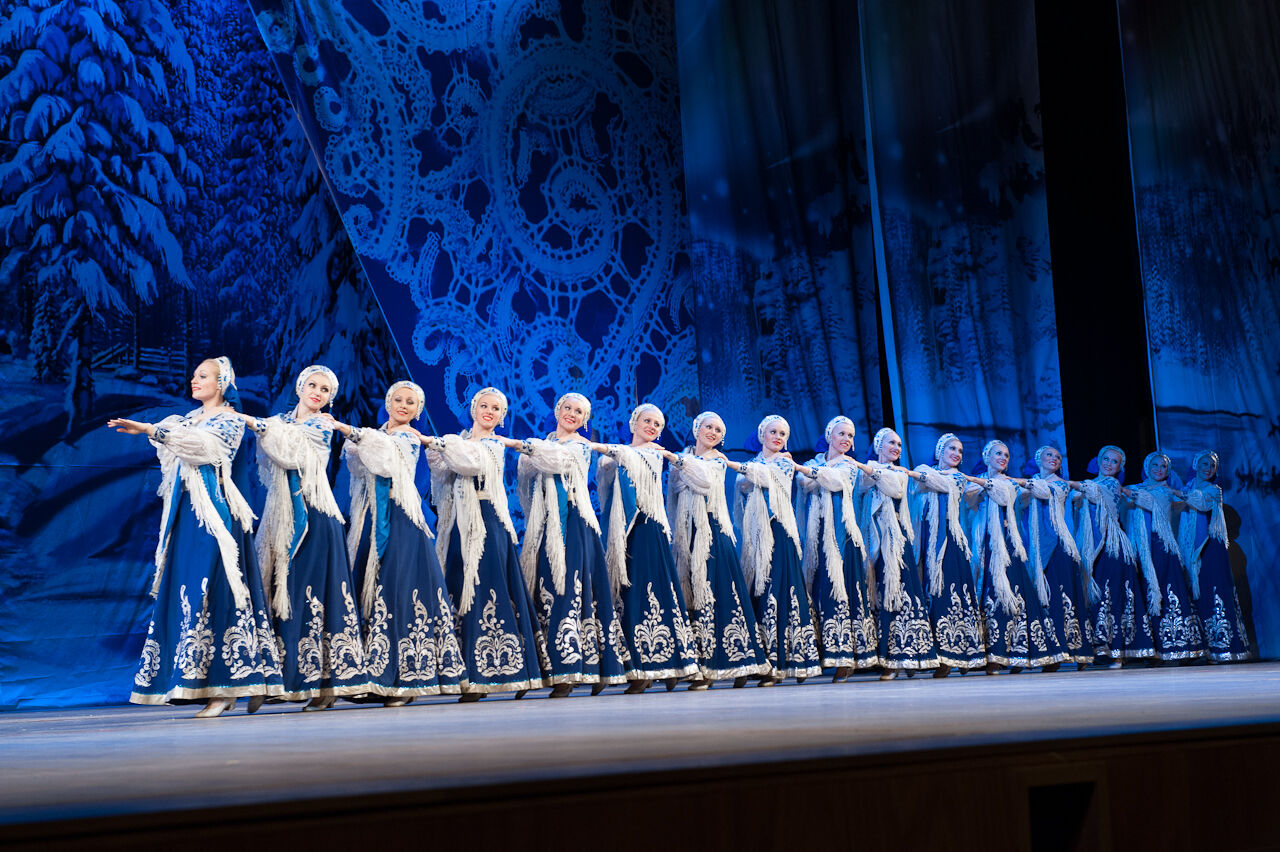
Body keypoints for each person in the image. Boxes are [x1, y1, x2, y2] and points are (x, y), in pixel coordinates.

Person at [109, 357, 282, 718]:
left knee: (217, 591)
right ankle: (218, 683)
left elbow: (204, 449)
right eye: (193, 375)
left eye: (202, 376)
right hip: (186, 516)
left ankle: (226, 687)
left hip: (214, 517)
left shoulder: (230, 420)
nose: (194, 380)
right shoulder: (188, 419)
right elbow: (176, 449)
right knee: (189, 593)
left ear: (222, 383)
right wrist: (154, 432)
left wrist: (152, 429)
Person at [239, 365, 368, 708]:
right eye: (313, 385)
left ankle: (324, 685)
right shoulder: (280, 421)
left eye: (325, 390)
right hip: (279, 514)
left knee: (307, 595)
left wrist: (256, 424)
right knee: (273, 589)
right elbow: (273, 446)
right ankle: (274, 678)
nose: (317, 393)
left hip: (313, 516)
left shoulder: (322, 425)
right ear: (299, 387)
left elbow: (290, 453)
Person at [341, 380, 466, 704]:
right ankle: (373, 675)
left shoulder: (408, 437)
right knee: (371, 588)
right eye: (398, 400)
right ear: (388, 402)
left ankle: (405, 678)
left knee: (399, 591)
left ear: (418, 411)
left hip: (401, 517)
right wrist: (358, 442)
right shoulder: (376, 435)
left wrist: (351, 433)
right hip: (372, 516)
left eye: (411, 402)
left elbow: (384, 462)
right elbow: (358, 465)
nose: (403, 406)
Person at [423, 387, 545, 700]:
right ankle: (464, 672)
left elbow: (468, 463)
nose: (489, 412)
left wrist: (439, 444)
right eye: (484, 406)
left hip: (487, 519)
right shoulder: (459, 441)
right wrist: (439, 449)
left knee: (487, 586)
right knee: (459, 585)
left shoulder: (492, 444)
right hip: (458, 522)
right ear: (474, 408)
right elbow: (440, 470)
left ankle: (501, 670)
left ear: (502, 417)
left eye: (496, 409)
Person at [516, 392, 633, 697]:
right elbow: (525, 478)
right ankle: (546, 668)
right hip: (545, 523)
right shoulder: (544, 443)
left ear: (584, 420)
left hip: (574, 523)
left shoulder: (580, 445)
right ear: (557, 411)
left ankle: (577, 670)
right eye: (567, 408)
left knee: (570, 590)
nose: (571, 414)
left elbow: (554, 461)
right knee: (545, 589)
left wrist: (522, 447)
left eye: (579, 412)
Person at [598, 403, 698, 693]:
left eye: (658, 424)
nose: (652, 427)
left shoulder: (653, 453)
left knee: (655, 591)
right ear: (634, 423)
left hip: (648, 527)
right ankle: (636, 666)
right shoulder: (618, 454)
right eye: (647, 421)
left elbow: (628, 458)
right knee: (629, 594)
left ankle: (670, 664)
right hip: (622, 530)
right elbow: (605, 474)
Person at [669, 411, 769, 689]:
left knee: (721, 593)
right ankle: (699, 664)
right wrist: (682, 468)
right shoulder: (683, 457)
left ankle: (735, 663)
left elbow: (702, 482)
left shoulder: (718, 461)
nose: (713, 433)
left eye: (718, 430)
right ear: (696, 429)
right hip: (687, 531)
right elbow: (675, 487)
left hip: (712, 530)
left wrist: (682, 467)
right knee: (693, 596)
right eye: (709, 427)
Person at [735, 415, 822, 685]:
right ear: (762, 434)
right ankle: (761, 661)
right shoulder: (754, 463)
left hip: (780, 531)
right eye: (773, 432)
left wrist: (740, 470)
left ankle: (785, 661)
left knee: (780, 590)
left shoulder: (785, 462)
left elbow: (761, 479)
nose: (778, 437)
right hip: (756, 534)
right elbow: (742, 487)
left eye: (783, 434)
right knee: (759, 591)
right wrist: (747, 476)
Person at [970, 440, 1067, 673]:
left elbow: (1011, 496)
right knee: (988, 594)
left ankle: (1024, 653)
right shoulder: (974, 484)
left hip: (1009, 543)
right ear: (986, 456)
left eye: (1006, 455)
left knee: (1015, 593)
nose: (1003, 458)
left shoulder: (1012, 484)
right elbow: (968, 501)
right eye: (998, 454)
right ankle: (993, 654)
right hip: (985, 543)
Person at [798, 416, 878, 681]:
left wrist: (817, 472)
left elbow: (833, 482)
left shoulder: (850, 466)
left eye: (851, 436)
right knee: (820, 590)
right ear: (829, 435)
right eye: (842, 434)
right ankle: (820, 654)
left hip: (843, 537)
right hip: (818, 537)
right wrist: (819, 471)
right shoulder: (815, 463)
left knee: (843, 591)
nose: (846, 439)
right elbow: (805, 483)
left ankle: (846, 656)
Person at [859, 428, 937, 679]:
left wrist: (869, 470)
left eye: (899, 444)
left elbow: (895, 490)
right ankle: (884, 655)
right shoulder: (866, 470)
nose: (896, 448)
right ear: (879, 446)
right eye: (891, 443)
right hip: (873, 536)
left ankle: (903, 656)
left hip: (896, 536)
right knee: (879, 591)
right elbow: (860, 487)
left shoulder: (900, 473)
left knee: (901, 590)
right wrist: (867, 470)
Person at [908, 433, 986, 677]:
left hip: (950, 542)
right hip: (927, 543)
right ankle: (931, 654)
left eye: (960, 451)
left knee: (950, 593)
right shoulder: (927, 473)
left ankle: (954, 654)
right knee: (930, 593)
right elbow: (917, 485)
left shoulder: (957, 478)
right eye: (952, 448)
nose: (957, 454)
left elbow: (940, 484)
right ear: (939, 451)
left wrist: (915, 473)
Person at [1077, 445, 1155, 665]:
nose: (1109, 464)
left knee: (1114, 595)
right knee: (1097, 596)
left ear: (1120, 467)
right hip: (1093, 548)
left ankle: (1118, 651)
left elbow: (1093, 491)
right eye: (1106, 459)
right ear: (1099, 460)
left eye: (1115, 462)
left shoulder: (1111, 484)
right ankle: (1099, 649)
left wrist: (1067, 484)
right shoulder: (1090, 484)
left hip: (1112, 548)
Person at [1021, 446, 1095, 669]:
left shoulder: (1060, 484)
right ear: (1038, 459)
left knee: (1063, 596)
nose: (1054, 458)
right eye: (1049, 455)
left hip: (1059, 545)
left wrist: (1013, 481)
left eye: (1057, 457)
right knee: (1044, 598)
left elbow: (1043, 492)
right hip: (1036, 548)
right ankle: (1050, 652)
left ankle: (1075, 651)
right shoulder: (1030, 484)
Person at [1128, 452, 1205, 663]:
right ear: (1147, 466)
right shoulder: (1136, 488)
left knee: (1168, 592)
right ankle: (1151, 650)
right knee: (1146, 593)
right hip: (1142, 549)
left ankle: (1180, 646)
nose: (1159, 469)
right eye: (1155, 465)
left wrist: (1124, 491)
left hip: (1162, 547)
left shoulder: (1164, 491)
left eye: (1163, 466)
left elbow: (1149, 501)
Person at [1178, 450, 1251, 662]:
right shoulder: (1188, 488)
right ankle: (1204, 649)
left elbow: (1199, 503)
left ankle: (1224, 646)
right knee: (1198, 594)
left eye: (1212, 466)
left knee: (1216, 591)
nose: (1208, 469)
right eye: (1204, 464)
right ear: (1196, 465)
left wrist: (1175, 493)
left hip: (1211, 547)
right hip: (1193, 551)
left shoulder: (1213, 490)